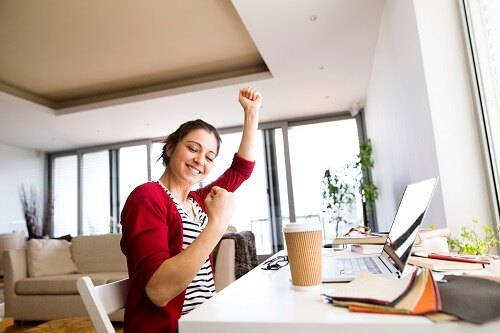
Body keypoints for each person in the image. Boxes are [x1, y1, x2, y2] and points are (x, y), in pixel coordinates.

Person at [120, 87, 262, 333]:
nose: (200, 160)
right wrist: (216, 226)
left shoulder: (198, 200)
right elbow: (158, 291)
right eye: (193, 149)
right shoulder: (147, 197)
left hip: (206, 323)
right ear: (170, 148)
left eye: (209, 156)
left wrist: (251, 113)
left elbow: (241, 170)